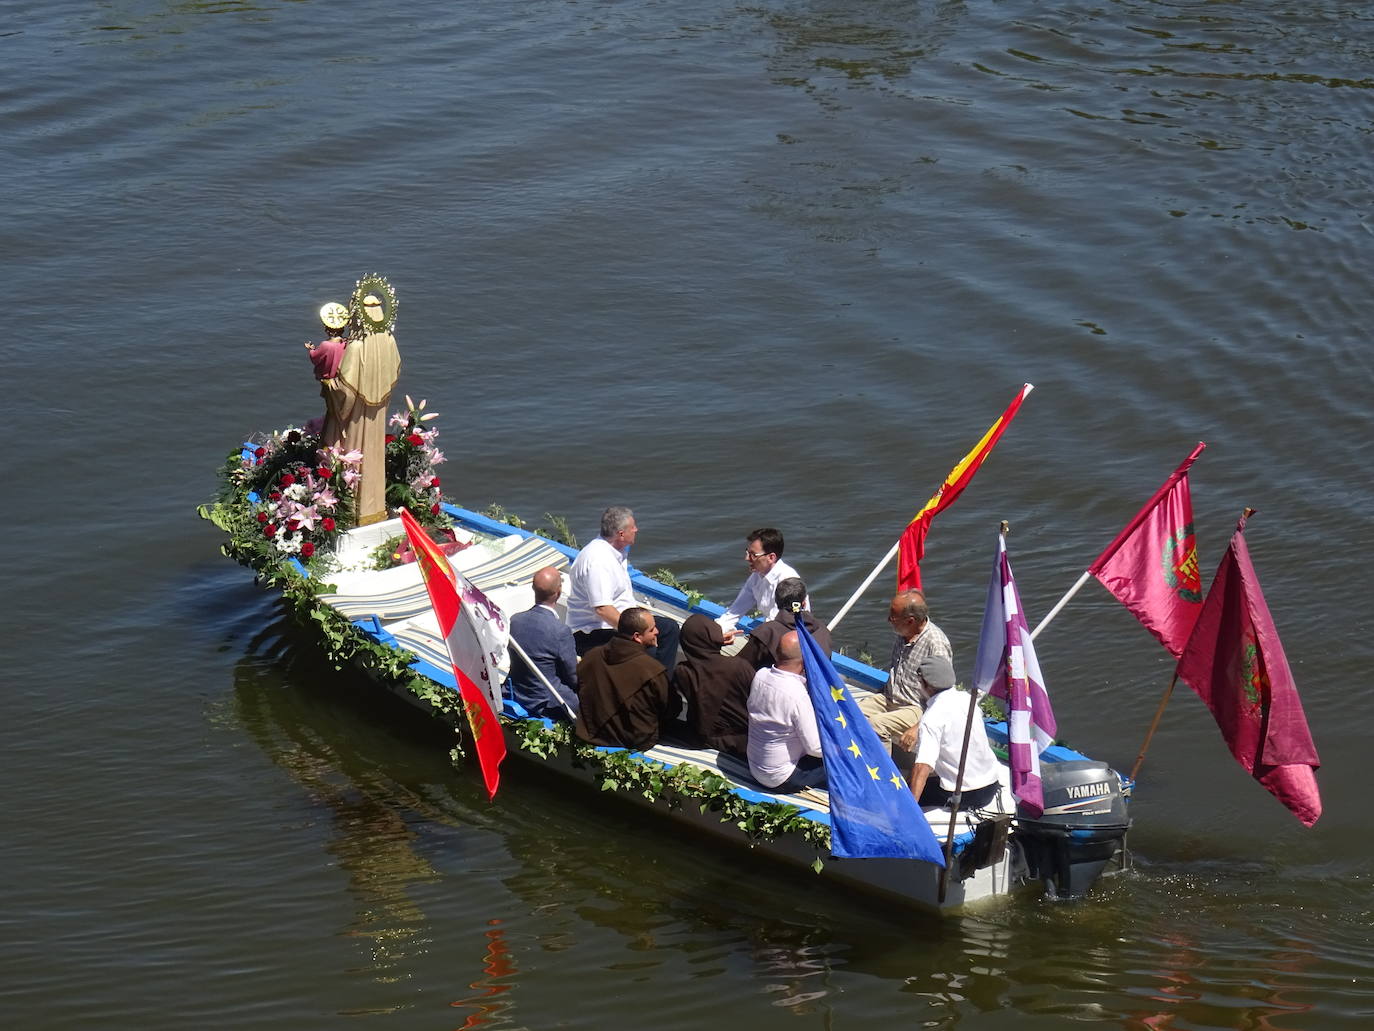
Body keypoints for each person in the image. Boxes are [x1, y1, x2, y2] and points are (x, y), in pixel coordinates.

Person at [315, 278, 401, 525]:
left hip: (353, 416)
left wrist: (328, 385)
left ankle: (349, 512)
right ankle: (375, 509)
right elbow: (393, 374)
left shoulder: (356, 346)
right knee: (374, 456)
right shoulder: (390, 341)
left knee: (352, 456)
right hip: (378, 411)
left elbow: (346, 391)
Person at [565, 505, 680, 666]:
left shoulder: (616, 551)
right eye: (633, 527)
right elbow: (603, 609)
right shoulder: (598, 561)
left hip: (622, 621)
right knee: (647, 650)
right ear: (621, 534)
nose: (636, 530)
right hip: (593, 632)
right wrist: (637, 634)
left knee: (669, 628)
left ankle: (661, 683)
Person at [858, 589, 954, 750]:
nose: (889, 620)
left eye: (893, 617)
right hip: (890, 698)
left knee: (877, 724)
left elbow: (944, 696)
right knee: (847, 711)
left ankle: (882, 773)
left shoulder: (936, 644)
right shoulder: (903, 633)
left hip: (915, 708)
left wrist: (918, 727)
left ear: (910, 621)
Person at [907, 656, 1002, 811]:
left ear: (926, 684)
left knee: (903, 788)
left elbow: (923, 766)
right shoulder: (968, 700)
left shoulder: (932, 717)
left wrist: (909, 809)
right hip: (991, 785)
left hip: (964, 795)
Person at [575, 607, 675, 751]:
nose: (657, 632)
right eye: (652, 629)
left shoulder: (592, 656)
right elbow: (670, 709)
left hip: (591, 732)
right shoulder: (652, 670)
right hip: (632, 740)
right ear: (637, 637)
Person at [746, 631, 827, 792]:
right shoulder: (796, 694)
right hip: (781, 777)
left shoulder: (760, 675)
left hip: (755, 767)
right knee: (850, 760)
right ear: (805, 660)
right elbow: (816, 748)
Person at [671, 614, 755, 757]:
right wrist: (718, 642)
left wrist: (716, 642)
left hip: (702, 739)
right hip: (741, 743)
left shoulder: (682, 671)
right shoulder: (739, 667)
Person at [508, 566, 580, 720]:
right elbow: (573, 677)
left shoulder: (515, 620)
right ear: (559, 592)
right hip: (545, 701)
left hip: (517, 690)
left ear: (533, 588)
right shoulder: (560, 631)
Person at [738, 577, 833, 671]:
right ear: (803, 603)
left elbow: (741, 667)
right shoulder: (823, 630)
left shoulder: (767, 632)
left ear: (776, 602)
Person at [722, 528, 804, 627]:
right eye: (747, 553)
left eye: (753, 555)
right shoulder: (757, 575)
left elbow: (777, 625)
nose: (747, 558)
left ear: (771, 557)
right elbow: (735, 611)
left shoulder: (788, 582)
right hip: (771, 630)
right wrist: (717, 631)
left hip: (790, 635)